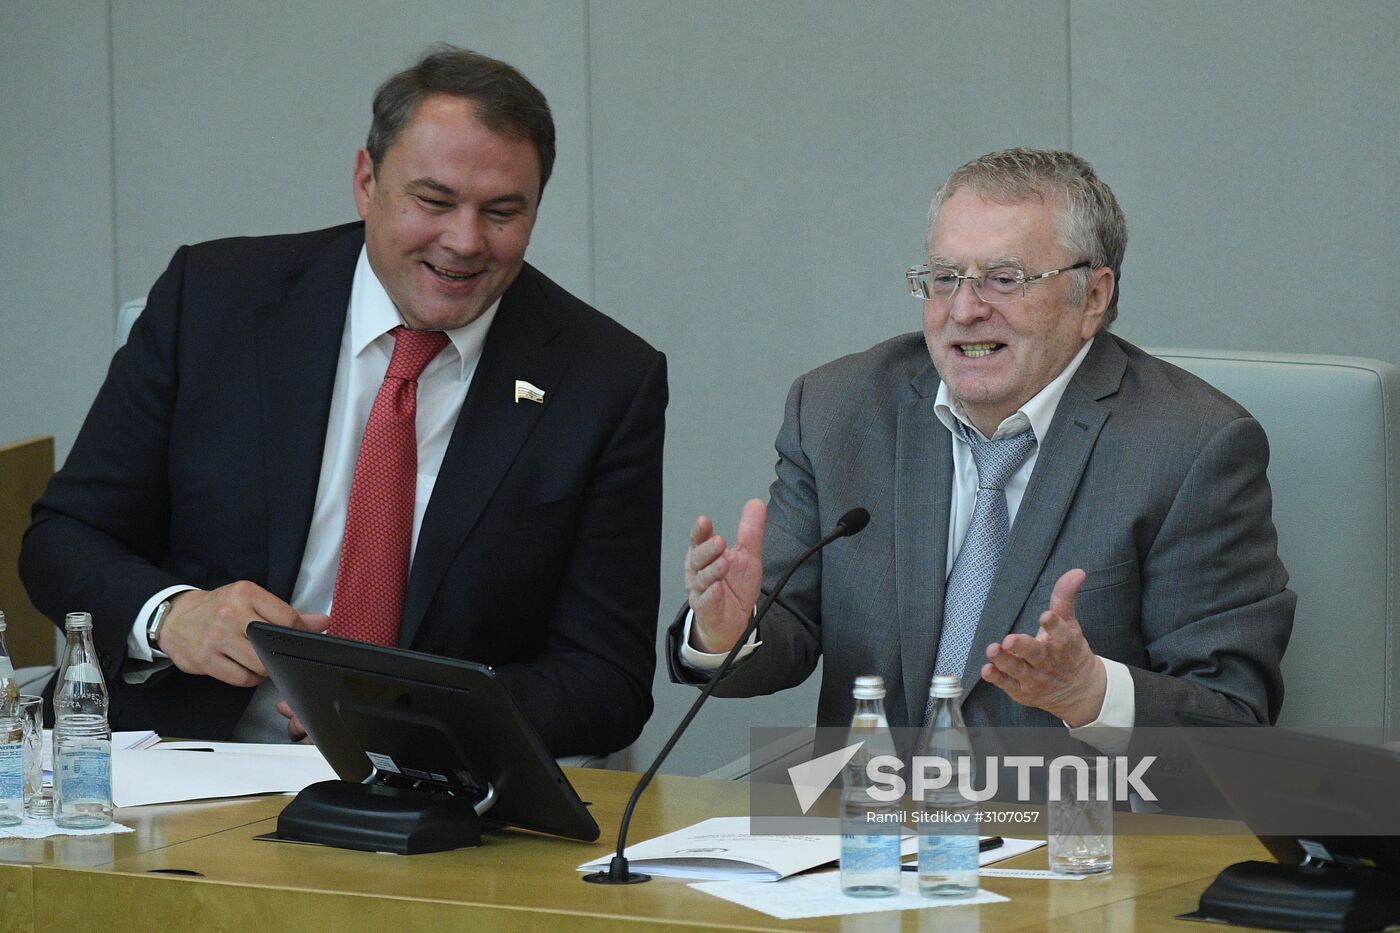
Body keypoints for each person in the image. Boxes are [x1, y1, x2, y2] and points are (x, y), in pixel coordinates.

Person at [21, 46, 667, 756]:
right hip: (175, 760)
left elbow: (608, 680)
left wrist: (420, 709)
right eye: (434, 200)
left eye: (502, 212)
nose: (464, 241)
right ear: (366, 182)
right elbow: (63, 537)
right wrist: (173, 616)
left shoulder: (603, 379)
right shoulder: (214, 301)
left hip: (426, 800)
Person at [670, 148, 1293, 741]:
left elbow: (1232, 720)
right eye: (944, 278)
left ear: (1093, 297)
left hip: (1068, 829)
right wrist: (729, 634)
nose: (964, 310)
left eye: (1003, 279)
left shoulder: (1192, 447)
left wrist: (1092, 694)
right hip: (872, 826)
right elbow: (788, 632)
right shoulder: (840, 411)